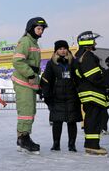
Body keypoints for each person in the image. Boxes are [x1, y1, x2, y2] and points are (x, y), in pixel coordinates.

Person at [12, 17, 48, 154]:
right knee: (26, 111)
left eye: (42, 29)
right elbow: (17, 61)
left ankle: (23, 138)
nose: (40, 32)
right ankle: (23, 138)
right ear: (30, 28)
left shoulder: (34, 43)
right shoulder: (25, 41)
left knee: (31, 111)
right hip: (23, 81)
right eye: (38, 29)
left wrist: (37, 83)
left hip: (30, 82)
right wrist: (31, 75)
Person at [40, 40, 82, 152]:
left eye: (64, 48)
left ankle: (72, 145)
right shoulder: (51, 63)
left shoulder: (73, 62)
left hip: (72, 96)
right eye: (60, 49)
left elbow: (79, 78)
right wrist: (47, 95)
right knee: (57, 122)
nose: (63, 51)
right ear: (56, 50)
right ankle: (56, 144)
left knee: (72, 122)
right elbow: (46, 79)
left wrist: (80, 92)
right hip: (57, 97)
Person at [73, 31, 109, 156]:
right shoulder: (87, 56)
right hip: (93, 93)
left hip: (89, 93)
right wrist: (106, 79)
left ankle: (91, 144)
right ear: (87, 42)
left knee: (91, 119)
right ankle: (92, 146)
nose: (95, 43)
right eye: (93, 40)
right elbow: (94, 76)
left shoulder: (80, 56)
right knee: (94, 120)